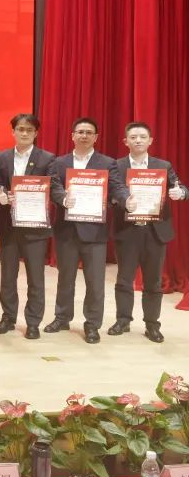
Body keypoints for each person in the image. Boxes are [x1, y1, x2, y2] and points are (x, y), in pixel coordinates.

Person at [108, 121, 187, 343]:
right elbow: (111, 193)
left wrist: (180, 193)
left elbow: (180, 187)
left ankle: (152, 325)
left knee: (153, 282)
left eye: (142, 137)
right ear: (125, 141)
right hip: (128, 231)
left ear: (150, 140)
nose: (138, 141)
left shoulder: (163, 166)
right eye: (133, 137)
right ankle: (123, 320)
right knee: (124, 279)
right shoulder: (117, 166)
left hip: (155, 231)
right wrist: (121, 200)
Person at [47, 117, 122, 343]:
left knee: (95, 282)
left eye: (89, 132)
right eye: (80, 132)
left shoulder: (107, 163)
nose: (84, 136)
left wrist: (121, 199)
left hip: (95, 231)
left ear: (96, 137)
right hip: (67, 230)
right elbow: (53, 186)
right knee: (65, 278)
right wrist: (63, 198)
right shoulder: (59, 162)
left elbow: (116, 188)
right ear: (72, 136)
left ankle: (92, 325)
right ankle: (62, 318)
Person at [0, 114, 56, 340]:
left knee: (35, 278)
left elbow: (52, 186)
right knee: (8, 277)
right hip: (8, 226)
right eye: (20, 129)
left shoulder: (47, 158)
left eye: (29, 129)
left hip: (35, 227)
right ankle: (8, 318)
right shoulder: (1, 157)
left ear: (36, 133)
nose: (25, 133)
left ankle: (33, 322)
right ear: (13, 132)